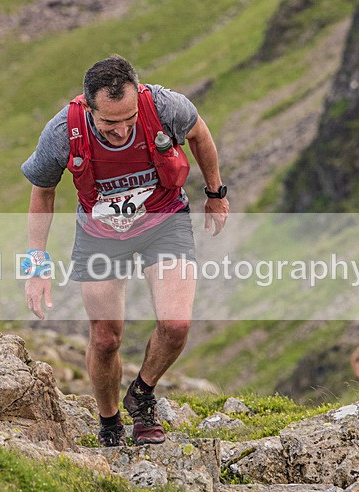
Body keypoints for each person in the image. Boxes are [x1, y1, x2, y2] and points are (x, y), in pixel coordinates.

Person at [20, 55, 229, 447]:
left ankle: (143, 395)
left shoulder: (164, 106)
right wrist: (36, 264)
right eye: (109, 123)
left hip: (164, 220)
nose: (120, 131)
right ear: (88, 107)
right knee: (105, 339)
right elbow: (42, 192)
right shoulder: (64, 129)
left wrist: (215, 193)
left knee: (176, 325)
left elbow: (200, 134)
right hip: (101, 232)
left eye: (128, 119)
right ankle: (109, 420)